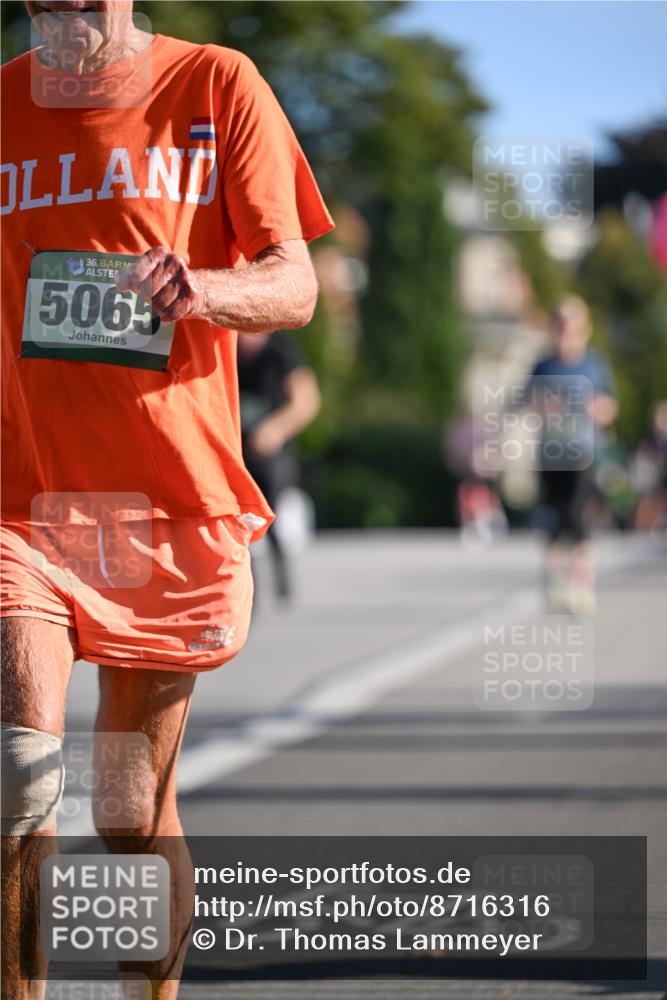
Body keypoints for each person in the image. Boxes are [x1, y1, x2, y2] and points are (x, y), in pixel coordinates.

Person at [0, 2, 334, 996]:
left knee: (126, 811)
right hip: (26, 499)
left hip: (164, 500)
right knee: (21, 773)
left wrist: (201, 287)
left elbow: (294, 283)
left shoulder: (216, 85)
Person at [524, 296, 618, 614]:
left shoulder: (595, 364)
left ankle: (581, 583)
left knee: (579, 520)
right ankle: (556, 582)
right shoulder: (543, 365)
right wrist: (544, 407)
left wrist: (597, 410)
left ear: (584, 328)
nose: (565, 330)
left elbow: (610, 406)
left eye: (571, 324)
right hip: (551, 453)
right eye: (560, 323)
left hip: (582, 453)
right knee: (554, 519)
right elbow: (524, 402)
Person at [237, 331, 321, 602]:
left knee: (268, 515)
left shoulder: (279, 350)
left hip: (271, 454)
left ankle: (281, 576)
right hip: (237, 449)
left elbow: (306, 400)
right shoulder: (224, 344)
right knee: (238, 522)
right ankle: (249, 593)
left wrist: (276, 428)